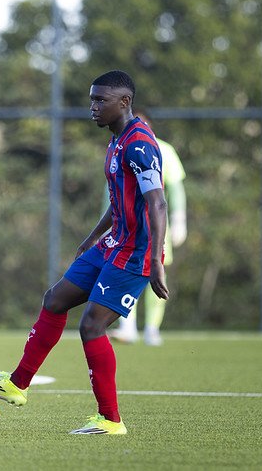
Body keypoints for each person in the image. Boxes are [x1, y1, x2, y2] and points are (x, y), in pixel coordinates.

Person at [0, 70, 168, 435]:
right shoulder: (117, 140)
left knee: (92, 325)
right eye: (91, 99)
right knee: (55, 299)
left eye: (100, 100)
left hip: (135, 252)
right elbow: (121, 199)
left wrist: (155, 259)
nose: (92, 107)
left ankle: (110, 421)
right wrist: (94, 235)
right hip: (112, 244)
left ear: (124, 102)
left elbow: (157, 203)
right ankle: (17, 384)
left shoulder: (140, 143)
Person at [109, 110, 187, 346]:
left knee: (157, 272)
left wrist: (180, 218)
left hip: (156, 227)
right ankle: (128, 327)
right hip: (127, 229)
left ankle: (152, 328)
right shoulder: (118, 146)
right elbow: (112, 190)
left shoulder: (164, 149)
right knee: (125, 273)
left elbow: (174, 189)